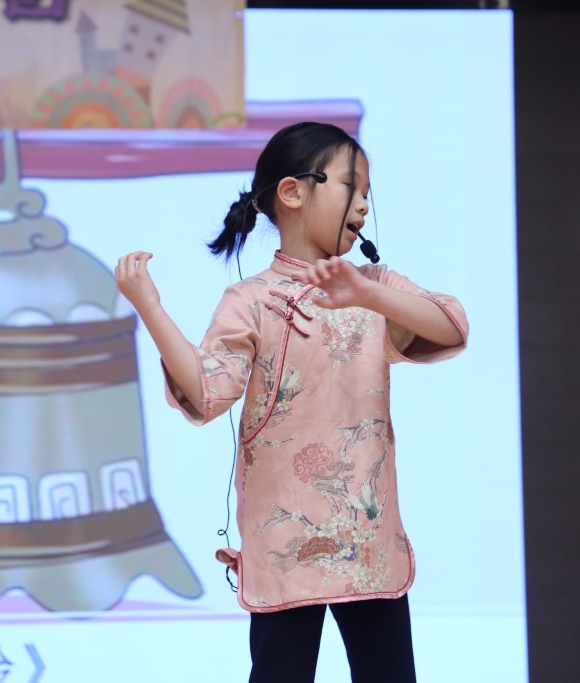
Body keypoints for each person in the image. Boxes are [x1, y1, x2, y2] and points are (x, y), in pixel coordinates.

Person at [115, 122, 468, 683]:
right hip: (283, 544)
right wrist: (149, 308)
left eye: (368, 193)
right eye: (352, 186)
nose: (364, 205)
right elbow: (206, 395)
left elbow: (452, 327)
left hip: (366, 544)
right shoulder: (249, 300)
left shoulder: (376, 286)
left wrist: (369, 293)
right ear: (292, 192)